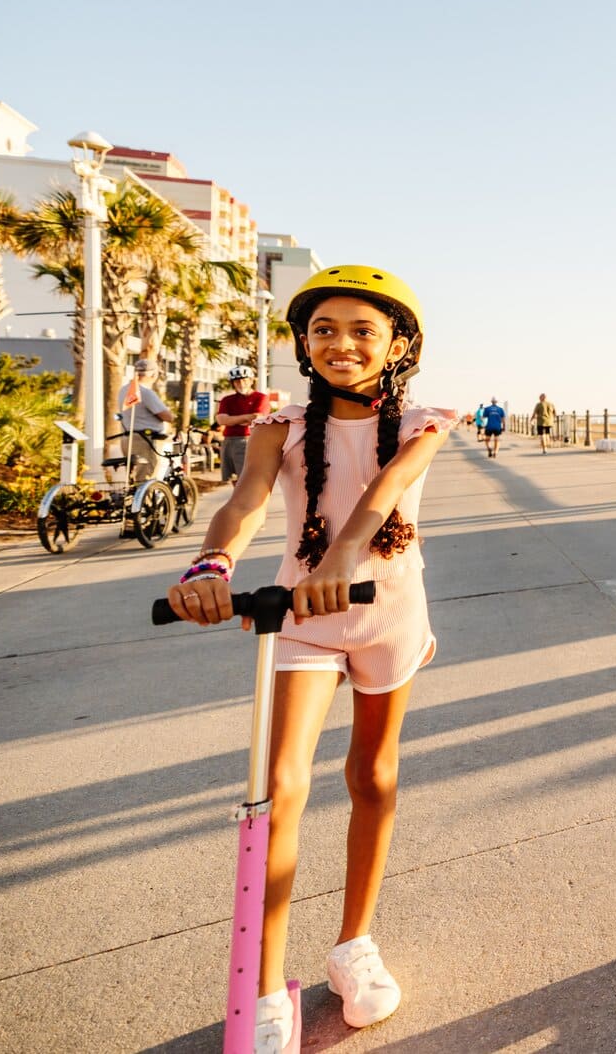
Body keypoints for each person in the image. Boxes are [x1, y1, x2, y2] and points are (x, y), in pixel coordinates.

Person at [164, 266, 454, 1049]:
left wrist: (342, 563)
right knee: (279, 786)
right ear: (302, 343)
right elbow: (247, 500)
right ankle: (263, 983)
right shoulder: (280, 426)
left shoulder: (426, 421)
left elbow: (384, 492)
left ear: (398, 345)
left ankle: (355, 945)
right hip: (300, 618)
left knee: (373, 776)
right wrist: (212, 565)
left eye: (363, 330)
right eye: (324, 329)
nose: (342, 344)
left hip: (386, 611)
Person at [214, 366, 274, 485]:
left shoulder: (260, 397)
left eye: (244, 380)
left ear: (251, 380)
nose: (241, 383)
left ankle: (246, 503)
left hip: (248, 440)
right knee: (232, 478)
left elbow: (257, 417)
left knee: (246, 477)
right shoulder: (227, 399)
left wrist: (231, 419)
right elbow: (221, 420)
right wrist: (246, 417)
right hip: (228, 441)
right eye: (237, 381)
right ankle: (238, 501)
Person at [118, 358, 174, 483]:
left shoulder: (123, 390)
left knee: (133, 478)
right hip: (144, 440)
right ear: (153, 374)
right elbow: (167, 417)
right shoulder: (146, 392)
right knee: (146, 478)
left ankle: (133, 501)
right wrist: (172, 416)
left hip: (127, 437)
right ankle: (144, 502)